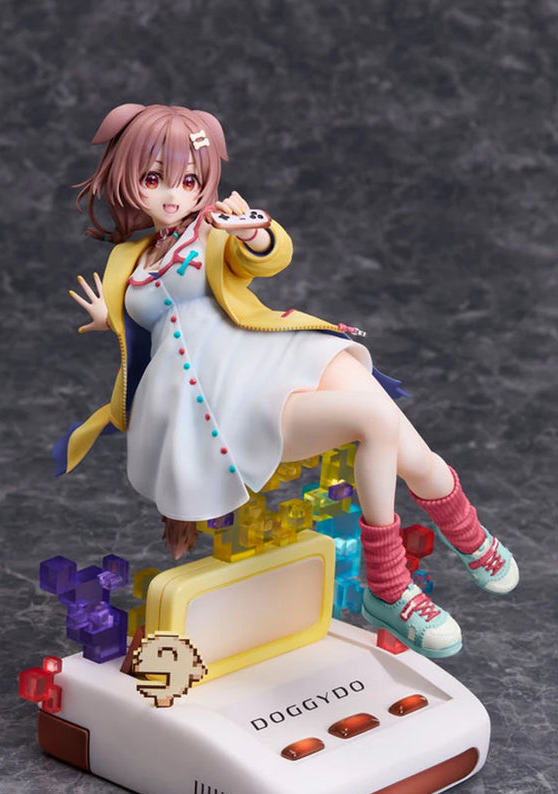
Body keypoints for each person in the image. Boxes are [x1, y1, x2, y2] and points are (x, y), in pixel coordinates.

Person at [54, 103, 519, 659]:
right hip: (225, 397)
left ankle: (466, 533)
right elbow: (143, 330)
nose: (173, 195)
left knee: (407, 446)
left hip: (279, 351)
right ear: (128, 178)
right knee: (375, 422)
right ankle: (388, 586)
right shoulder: (130, 259)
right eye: (154, 180)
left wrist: (255, 233)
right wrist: (110, 320)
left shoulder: (213, 229)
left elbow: (268, 256)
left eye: (189, 181)